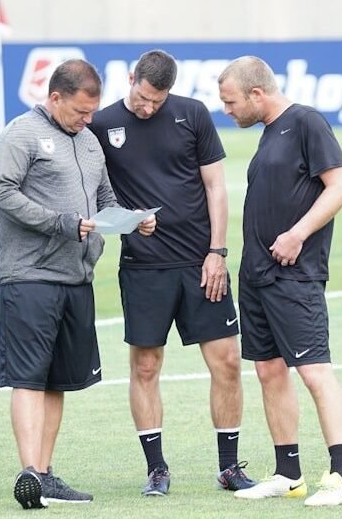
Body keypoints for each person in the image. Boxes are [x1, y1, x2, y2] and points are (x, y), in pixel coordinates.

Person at [0, 58, 155, 509]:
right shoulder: (21, 135)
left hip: (77, 277)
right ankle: (28, 472)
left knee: (59, 381)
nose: (87, 121)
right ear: (55, 97)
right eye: (80, 112)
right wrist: (58, 224)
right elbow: (0, 192)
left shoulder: (89, 142)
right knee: (28, 377)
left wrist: (128, 220)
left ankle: (43, 474)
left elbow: (103, 198)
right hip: (29, 277)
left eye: (92, 113)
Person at [89, 50, 255, 497]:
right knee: (145, 366)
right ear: (131, 80)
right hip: (143, 267)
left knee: (228, 362)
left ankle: (228, 468)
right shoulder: (102, 125)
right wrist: (121, 219)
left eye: (156, 102)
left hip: (202, 264)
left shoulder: (192, 115)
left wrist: (217, 252)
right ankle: (156, 469)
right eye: (143, 98)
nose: (148, 108)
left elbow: (216, 186)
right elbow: (92, 194)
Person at [217, 56, 342, 507]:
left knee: (314, 370)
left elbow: (339, 186)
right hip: (257, 275)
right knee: (268, 370)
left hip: (294, 275)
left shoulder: (306, 123)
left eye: (231, 101)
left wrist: (298, 233)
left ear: (257, 94)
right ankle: (288, 472)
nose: (228, 110)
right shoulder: (268, 134)